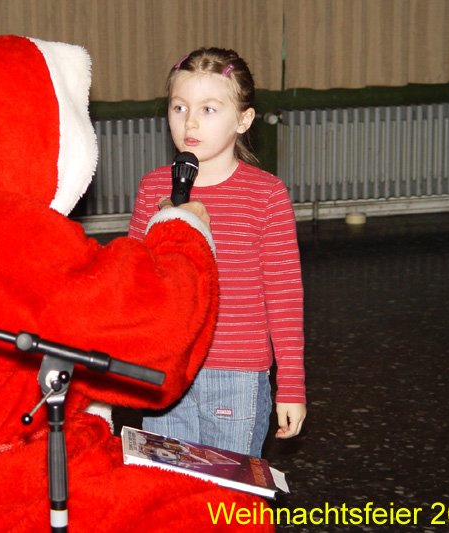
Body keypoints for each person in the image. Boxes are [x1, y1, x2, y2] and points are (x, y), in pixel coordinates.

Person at [128, 47, 306, 457]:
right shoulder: (154, 188)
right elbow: (135, 282)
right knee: (169, 482)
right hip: (168, 368)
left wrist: (291, 386)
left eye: (208, 109)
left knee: (228, 483)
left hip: (236, 375)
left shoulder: (266, 195)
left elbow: (284, 296)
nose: (189, 121)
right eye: (179, 107)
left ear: (243, 119)